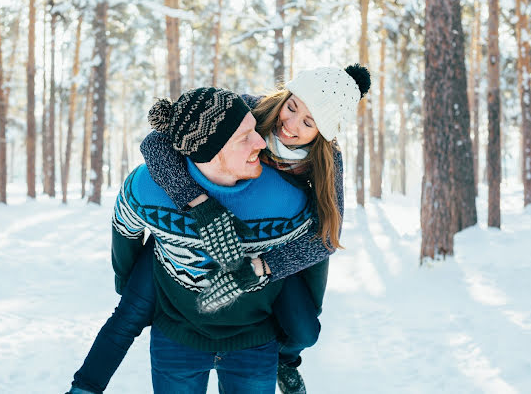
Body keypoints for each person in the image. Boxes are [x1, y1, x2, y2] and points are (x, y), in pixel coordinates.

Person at [68, 67, 370, 394]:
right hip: (187, 231)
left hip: (280, 240)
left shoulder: (326, 160)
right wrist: (197, 202)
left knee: (305, 328)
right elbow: (157, 141)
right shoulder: (248, 111)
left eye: (309, 123)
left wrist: (268, 266)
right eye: (292, 107)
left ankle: (287, 359)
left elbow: (327, 236)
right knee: (129, 311)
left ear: (324, 133)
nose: (290, 124)